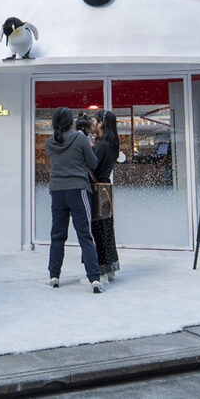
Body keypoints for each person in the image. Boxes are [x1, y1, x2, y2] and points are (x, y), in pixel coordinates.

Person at [45, 106, 103, 293]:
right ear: (71, 122)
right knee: (85, 235)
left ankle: (54, 276)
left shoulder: (49, 143)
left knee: (57, 235)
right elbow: (93, 163)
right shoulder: (79, 138)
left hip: (57, 191)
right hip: (78, 190)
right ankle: (94, 278)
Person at [90, 109, 121, 281]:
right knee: (106, 228)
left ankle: (100, 270)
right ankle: (109, 268)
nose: (93, 124)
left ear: (101, 124)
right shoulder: (111, 145)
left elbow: (91, 167)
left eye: (95, 121)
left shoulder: (101, 146)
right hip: (105, 189)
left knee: (97, 229)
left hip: (95, 190)